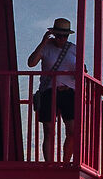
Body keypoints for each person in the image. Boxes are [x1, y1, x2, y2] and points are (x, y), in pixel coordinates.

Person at [27, 17, 81, 158]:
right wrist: (43, 42)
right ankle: (49, 164)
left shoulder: (73, 49)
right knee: (49, 131)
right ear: (53, 34)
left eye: (64, 36)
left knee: (73, 131)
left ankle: (66, 162)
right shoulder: (45, 48)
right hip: (49, 92)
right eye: (58, 35)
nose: (61, 38)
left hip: (69, 92)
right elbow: (31, 63)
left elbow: (81, 70)